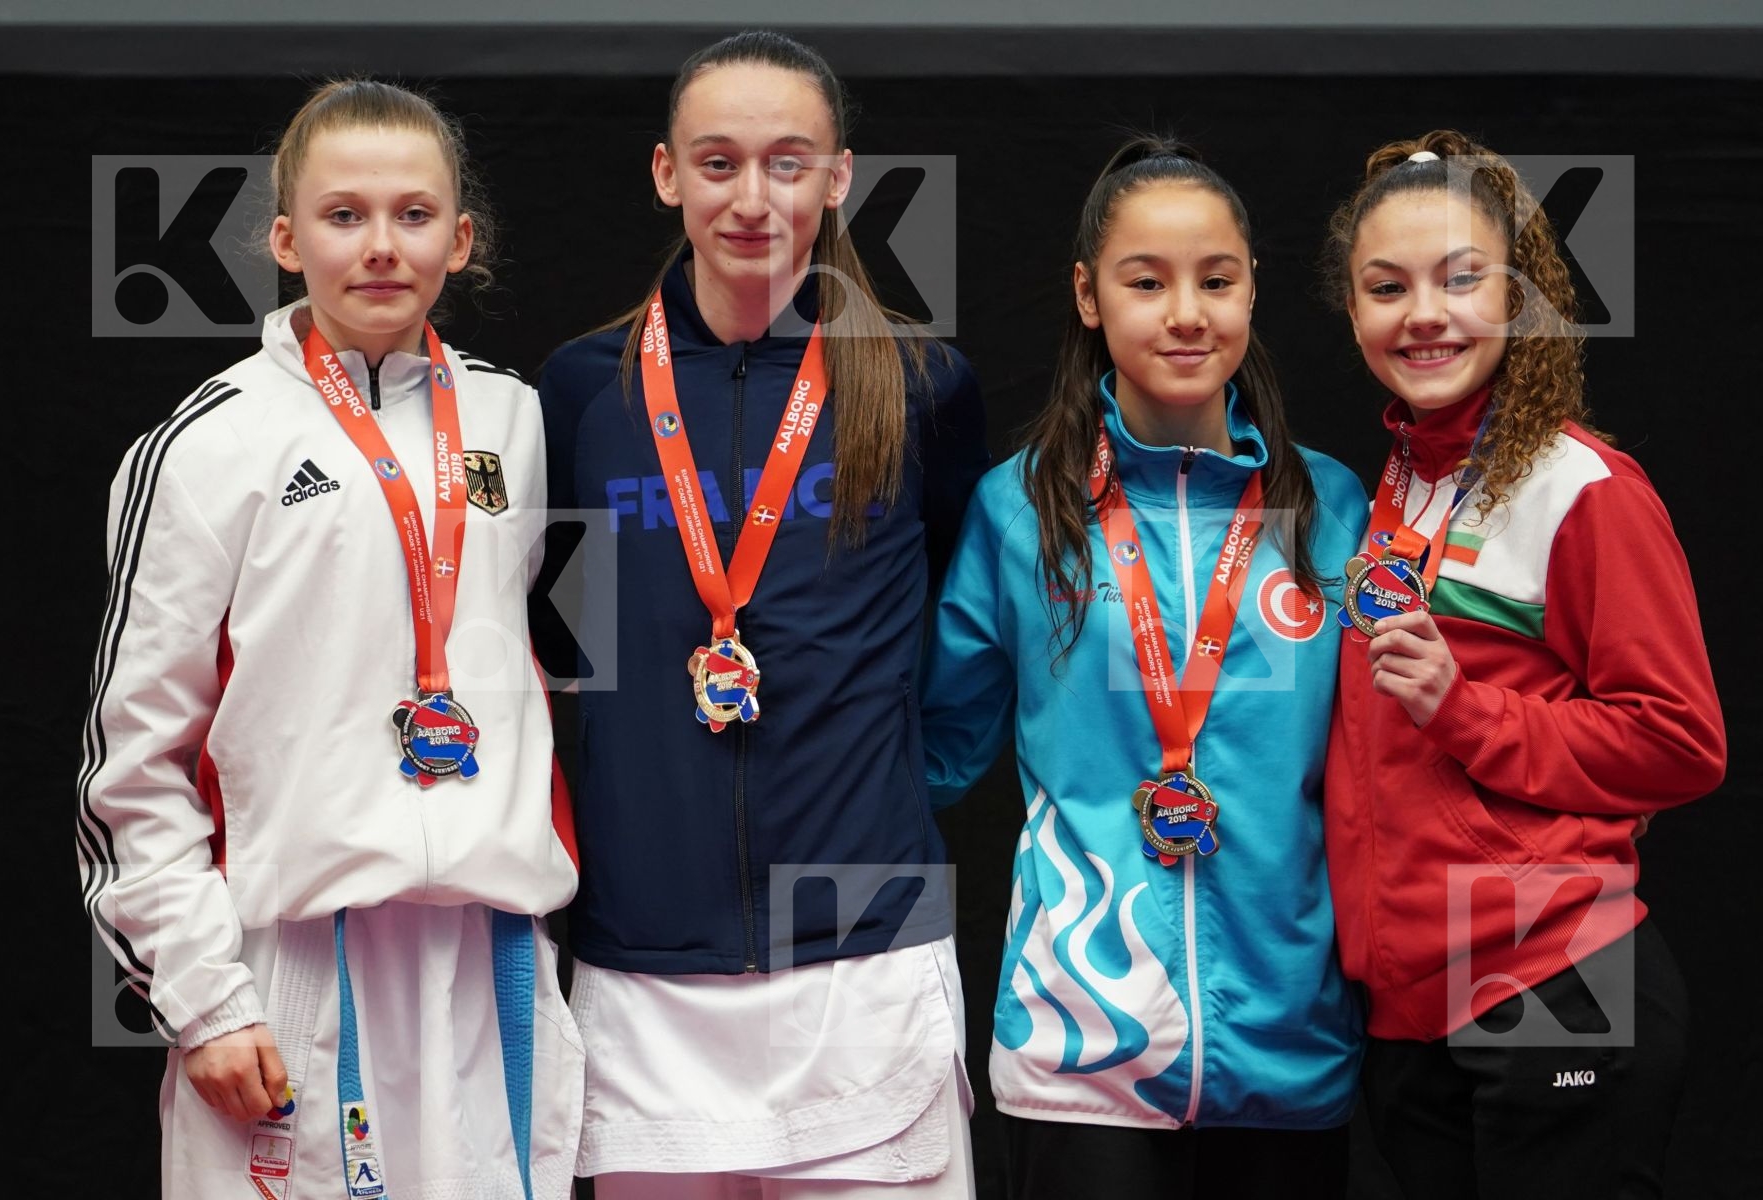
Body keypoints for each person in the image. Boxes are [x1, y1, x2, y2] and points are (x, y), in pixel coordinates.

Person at [76, 79, 583, 1199]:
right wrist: (203, 995)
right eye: (343, 215)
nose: (381, 247)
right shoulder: (209, 442)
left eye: (413, 214)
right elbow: (134, 762)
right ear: (285, 238)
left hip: (486, 962)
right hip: (293, 957)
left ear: (463, 237)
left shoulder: (513, 416)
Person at [533, 29, 988, 1199]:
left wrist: (873, 794)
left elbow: (949, 633)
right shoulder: (581, 388)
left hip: (866, 955)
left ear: (839, 179)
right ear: (664, 173)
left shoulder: (923, 385)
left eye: (788, 162)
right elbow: (548, 638)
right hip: (650, 963)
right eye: (718, 161)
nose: (752, 196)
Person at [919, 136, 1368, 1200]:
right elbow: (933, 753)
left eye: (1216, 279)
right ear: (1088, 294)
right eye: (1146, 281)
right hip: (1082, 1047)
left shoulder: (1337, 510)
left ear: (1253, 285)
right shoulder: (1020, 511)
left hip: (1294, 1035)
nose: (1186, 313)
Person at [1320, 129, 1727, 1200]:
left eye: (1463, 280)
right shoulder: (1394, 485)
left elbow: (1679, 743)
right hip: (1412, 1010)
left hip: (1555, 982)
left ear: (1524, 293)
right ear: (1351, 306)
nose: (1424, 315)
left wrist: (1468, 709)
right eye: (1386, 286)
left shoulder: (1581, 485)